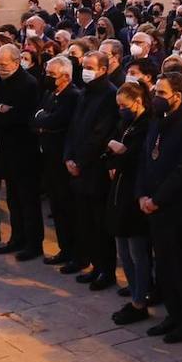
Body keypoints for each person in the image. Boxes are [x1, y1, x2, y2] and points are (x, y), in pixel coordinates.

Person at [139, 72, 182, 342]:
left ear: (177, 97)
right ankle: (173, 314)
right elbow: (147, 158)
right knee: (164, 264)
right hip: (153, 204)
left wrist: (157, 199)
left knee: (181, 266)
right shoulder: (158, 118)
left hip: (176, 208)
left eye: (162, 93)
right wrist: (142, 194)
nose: (156, 98)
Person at [63, 51, 120, 287]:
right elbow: (74, 128)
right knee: (85, 220)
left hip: (94, 168)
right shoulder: (85, 92)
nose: (84, 70)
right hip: (78, 165)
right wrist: (68, 156)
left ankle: (106, 270)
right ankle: (94, 265)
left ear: (103, 69)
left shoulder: (109, 95)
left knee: (100, 224)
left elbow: (100, 135)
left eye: (89, 66)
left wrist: (80, 161)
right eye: (83, 65)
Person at [0, 43, 41, 258]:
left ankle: (33, 243)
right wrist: (1, 112)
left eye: (4, 64)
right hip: (5, 147)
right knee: (12, 197)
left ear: (17, 62)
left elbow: (20, 116)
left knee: (27, 198)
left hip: (24, 148)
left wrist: (1, 113)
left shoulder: (29, 84)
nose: (0, 68)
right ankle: (16, 236)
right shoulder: (0, 82)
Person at [107, 81, 152, 322]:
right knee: (122, 249)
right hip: (119, 191)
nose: (120, 109)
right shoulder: (126, 122)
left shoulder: (146, 125)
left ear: (137, 101)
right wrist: (116, 155)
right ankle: (134, 293)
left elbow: (136, 159)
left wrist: (121, 153)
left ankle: (140, 299)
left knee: (137, 252)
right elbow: (112, 148)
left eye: (124, 105)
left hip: (134, 192)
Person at [33, 55, 80, 265]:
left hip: (62, 159)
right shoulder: (50, 94)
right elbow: (35, 117)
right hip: (48, 157)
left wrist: (45, 121)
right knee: (56, 207)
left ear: (66, 76)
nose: (48, 77)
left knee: (68, 208)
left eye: (52, 74)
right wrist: (43, 121)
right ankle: (64, 248)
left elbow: (56, 120)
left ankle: (75, 252)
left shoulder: (72, 96)